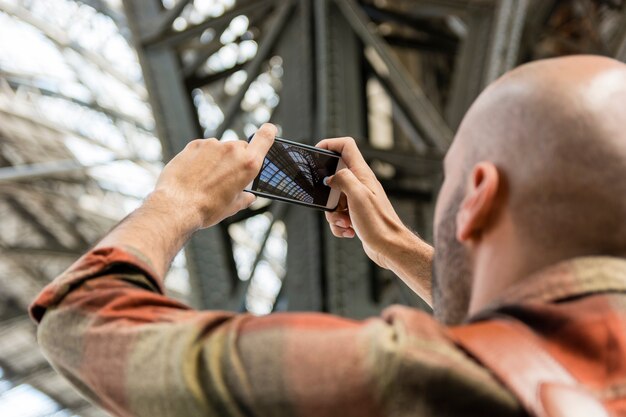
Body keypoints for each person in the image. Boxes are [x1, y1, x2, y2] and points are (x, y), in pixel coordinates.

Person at [30, 55, 626, 417]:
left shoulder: (412, 377)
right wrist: (394, 244)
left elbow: (81, 320)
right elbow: (537, 326)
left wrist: (176, 201)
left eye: (449, 180)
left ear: (477, 198)